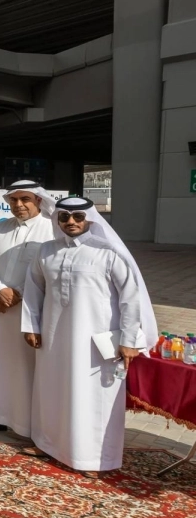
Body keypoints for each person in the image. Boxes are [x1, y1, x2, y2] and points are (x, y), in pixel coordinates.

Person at [21, 197, 155, 476]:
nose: (71, 222)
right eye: (64, 217)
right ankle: (48, 445)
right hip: (54, 337)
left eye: (78, 216)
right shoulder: (46, 251)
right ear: (57, 220)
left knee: (92, 398)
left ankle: (93, 459)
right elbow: (34, 291)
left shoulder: (109, 253)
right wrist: (31, 325)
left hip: (96, 343)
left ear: (90, 219)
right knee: (52, 391)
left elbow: (130, 299)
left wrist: (129, 340)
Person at [0, 181, 55, 435]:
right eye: (14, 200)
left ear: (38, 201)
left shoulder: (51, 229)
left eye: (25, 200)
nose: (19, 205)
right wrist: (0, 289)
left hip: (29, 309)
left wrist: (15, 292)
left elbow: (47, 267)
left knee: (24, 364)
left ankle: (25, 424)